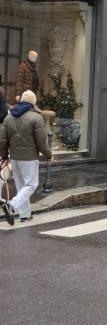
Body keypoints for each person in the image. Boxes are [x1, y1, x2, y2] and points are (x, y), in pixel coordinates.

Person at [0, 90, 52, 225]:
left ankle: (25, 215)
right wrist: (49, 155)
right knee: (31, 184)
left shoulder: (9, 117)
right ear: (33, 102)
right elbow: (41, 141)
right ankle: (12, 205)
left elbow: (3, 140)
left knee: (21, 185)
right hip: (29, 158)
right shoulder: (36, 118)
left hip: (15, 158)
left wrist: (4, 156)